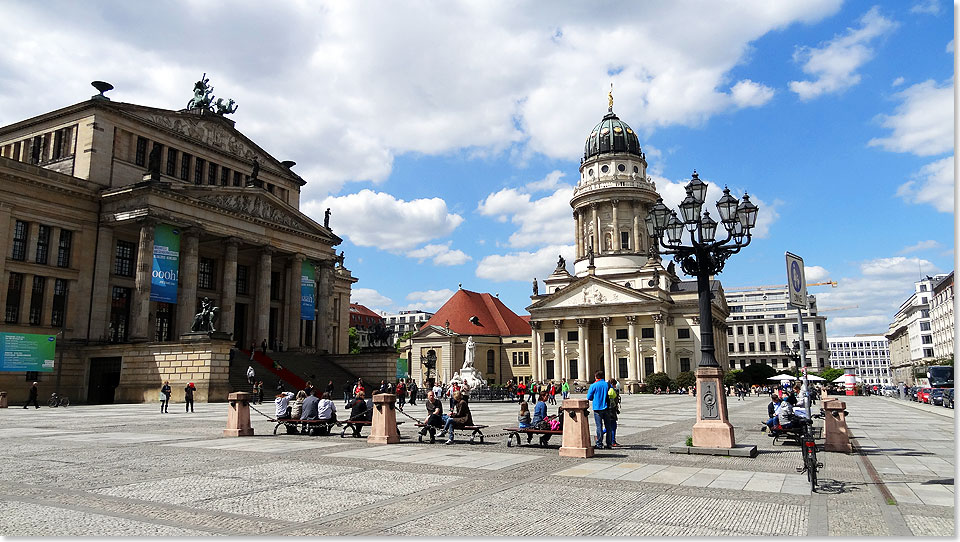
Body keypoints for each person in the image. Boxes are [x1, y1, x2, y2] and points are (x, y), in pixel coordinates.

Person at [587, 371, 611, 449]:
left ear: (596, 377)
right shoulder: (607, 384)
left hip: (597, 408)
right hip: (607, 407)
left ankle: (599, 444)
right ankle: (609, 444)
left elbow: (589, 397)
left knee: (599, 426)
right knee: (608, 426)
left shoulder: (594, 385)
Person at [606, 379, 621, 446]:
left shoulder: (607, 389)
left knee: (611, 425)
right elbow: (614, 401)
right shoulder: (611, 390)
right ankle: (612, 441)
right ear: (612, 384)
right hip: (611, 410)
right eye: (615, 384)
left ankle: (612, 441)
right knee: (613, 426)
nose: (615, 386)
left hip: (609, 409)